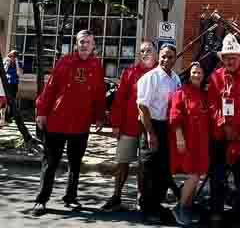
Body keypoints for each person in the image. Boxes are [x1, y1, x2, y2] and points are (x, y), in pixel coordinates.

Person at [33, 30, 106, 216]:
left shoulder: (97, 66)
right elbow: (50, 89)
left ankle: (70, 197)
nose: (84, 45)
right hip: (57, 121)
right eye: (82, 41)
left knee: (75, 164)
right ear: (76, 43)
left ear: (93, 45)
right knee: (50, 163)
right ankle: (41, 200)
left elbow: (98, 93)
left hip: (80, 124)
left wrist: (99, 116)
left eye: (88, 42)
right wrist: (42, 112)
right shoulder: (64, 62)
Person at [101, 40, 157, 212]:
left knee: (144, 165)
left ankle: (142, 198)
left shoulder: (160, 73)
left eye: (148, 50)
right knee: (122, 162)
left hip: (150, 128)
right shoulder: (130, 73)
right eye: (142, 51)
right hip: (129, 125)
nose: (145, 53)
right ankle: (116, 195)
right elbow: (119, 100)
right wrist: (116, 124)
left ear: (155, 52)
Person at [208, 33, 240, 227]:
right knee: (218, 177)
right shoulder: (215, 77)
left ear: (239, 59)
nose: (230, 60)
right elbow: (212, 105)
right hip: (221, 136)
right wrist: (223, 125)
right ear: (223, 60)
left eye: (233, 57)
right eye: (227, 57)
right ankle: (217, 212)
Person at [137, 43, 181, 224]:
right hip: (151, 124)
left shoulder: (175, 79)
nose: (166, 60)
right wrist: (150, 133)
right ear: (159, 56)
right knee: (148, 169)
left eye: (170, 57)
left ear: (175, 59)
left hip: (166, 126)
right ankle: (146, 209)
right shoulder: (151, 78)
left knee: (163, 168)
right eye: (163, 56)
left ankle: (157, 204)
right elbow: (142, 107)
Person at [169, 61, 210, 226]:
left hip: (201, 141)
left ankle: (187, 206)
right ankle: (180, 207)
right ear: (189, 74)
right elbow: (175, 116)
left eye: (200, 72)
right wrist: (179, 137)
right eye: (194, 72)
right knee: (193, 175)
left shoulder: (203, 95)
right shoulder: (181, 93)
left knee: (198, 174)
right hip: (187, 139)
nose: (197, 75)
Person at [3, 49, 23, 123]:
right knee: (5, 100)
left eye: (13, 56)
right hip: (6, 83)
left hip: (14, 84)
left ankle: (10, 116)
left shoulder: (19, 63)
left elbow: (19, 74)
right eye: (10, 55)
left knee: (12, 100)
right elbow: (3, 72)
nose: (11, 57)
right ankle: (5, 116)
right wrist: (7, 64)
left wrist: (17, 63)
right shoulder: (5, 61)